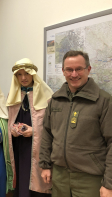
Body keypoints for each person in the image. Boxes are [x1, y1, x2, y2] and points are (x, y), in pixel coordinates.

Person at [39, 50, 112, 197]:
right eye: (69, 70)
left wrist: (109, 184)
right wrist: (45, 165)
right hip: (59, 177)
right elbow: (47, 133)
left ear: (88, 69)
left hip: (90, 178)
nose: (74, 74)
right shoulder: (55, 99)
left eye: (79, 69)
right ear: (63, 71)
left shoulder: (104, 101)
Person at [6, 58, 53, 197]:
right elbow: (8, 121)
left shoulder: (47, 96)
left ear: (33, 74)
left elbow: (53, 126)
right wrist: (12, 130)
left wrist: (35, 131)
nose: (23, 78)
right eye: (19, 75)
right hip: (19, 147)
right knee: (21, 181)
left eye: (26, 73)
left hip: (38, 147)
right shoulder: (12, 95)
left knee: (37, 184)